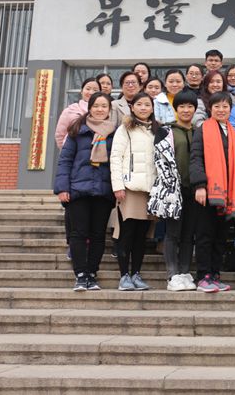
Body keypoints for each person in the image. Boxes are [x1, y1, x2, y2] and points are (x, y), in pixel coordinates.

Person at [54, 92, 116, 291]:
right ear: (89, 108)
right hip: (78, 190)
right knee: (78, 234)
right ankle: (81, 274)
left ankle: (92, 273)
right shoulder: (77, 131)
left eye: (104, 106)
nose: (100, 109)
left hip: (103, 191)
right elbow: (65, 161)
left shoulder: (115, 133)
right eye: (96, 106)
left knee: (98, 235)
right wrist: (62, 188)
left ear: (109, 110)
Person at [190, 92, 235, 292]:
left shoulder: (232, 131)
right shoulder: (203, 129)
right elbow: (196, 158)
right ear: (210, 109)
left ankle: (215, 274)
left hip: (227, 193)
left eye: (225, 106)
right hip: (208, 192)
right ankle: (204, 276)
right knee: (205, 235)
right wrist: (200, 185)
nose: (221, 110)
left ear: (230, 109)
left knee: (220, 237)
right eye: (217, 106)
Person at [110, 92, 158, 291]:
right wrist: (118, 186)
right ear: (132, 107)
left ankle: (136, 274)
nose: (143, 108)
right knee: (127, 234)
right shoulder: (125, 129)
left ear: (152, 108)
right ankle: (124, 276)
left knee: (141, 236)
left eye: (147, 104)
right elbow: (116, 157)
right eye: (139, 104)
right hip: (129, 189)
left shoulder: (157, 130)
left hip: (150, 190)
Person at [162, 90, 201, 292]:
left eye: (190, 106)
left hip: (194, 190)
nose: (186, 110)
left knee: (189, 233)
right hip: (173, 190)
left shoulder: (199, 131)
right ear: (176, 109)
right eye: (182, 106)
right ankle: (172, 274)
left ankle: (185, 272)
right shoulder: (166, 131)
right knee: (173, 232)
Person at [55, 78, 100, 149]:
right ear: (81, 91)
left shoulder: (103, 111)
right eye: (88, 89)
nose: (91, 92)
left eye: (95, 90)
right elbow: (60, 135)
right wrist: (67, 150)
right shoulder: (70, 110)